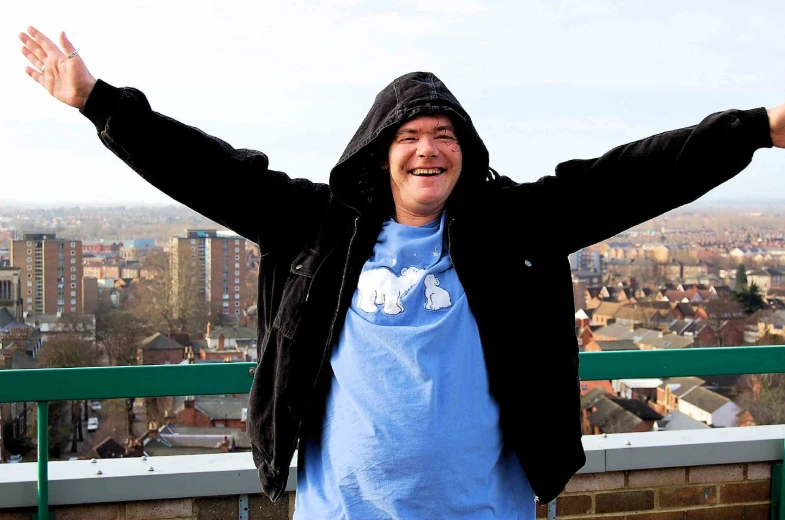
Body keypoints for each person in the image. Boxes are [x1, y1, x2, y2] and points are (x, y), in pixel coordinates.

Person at [18, 25, 785, 519]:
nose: (427, 149)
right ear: (379, 154)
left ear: (465, 153)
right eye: (410, 135)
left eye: (444, 135)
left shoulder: (509, 228)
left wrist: (757, 129)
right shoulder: (321, 229)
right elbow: (209, 172)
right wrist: (95, 101)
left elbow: (630, 177)